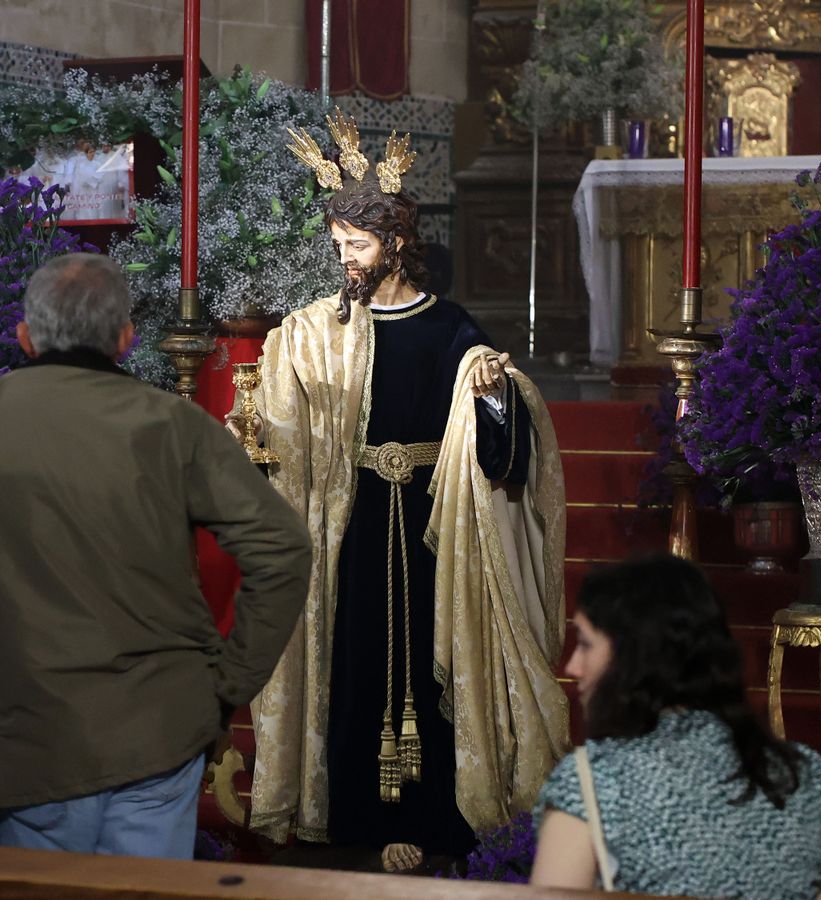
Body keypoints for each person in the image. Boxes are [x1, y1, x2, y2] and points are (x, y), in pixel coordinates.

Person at [236, 116, 571, 871]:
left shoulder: (448, 326)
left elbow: (503, 427)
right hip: (351, 517)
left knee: (429, 654)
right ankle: (355, 815)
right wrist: (259, 424)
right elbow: (283, 430)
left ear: (394, 242)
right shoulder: (318, 330)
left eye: (356, 245)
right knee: (353, 656)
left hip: (432, 519)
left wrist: (492, 394)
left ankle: (431, 817)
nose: (345, 259)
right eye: (338, 245)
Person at [0, 252, 310, 859]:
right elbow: (282, 547)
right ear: (126, 338)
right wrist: (228, 684)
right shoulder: (171, 422)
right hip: (158, 726)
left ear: (25, 336)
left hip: (27, 727)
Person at [530, 555, 821, 897]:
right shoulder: (801, 774)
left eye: (585, 644)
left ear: (634, 654)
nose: (572, 666)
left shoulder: (590, 782)